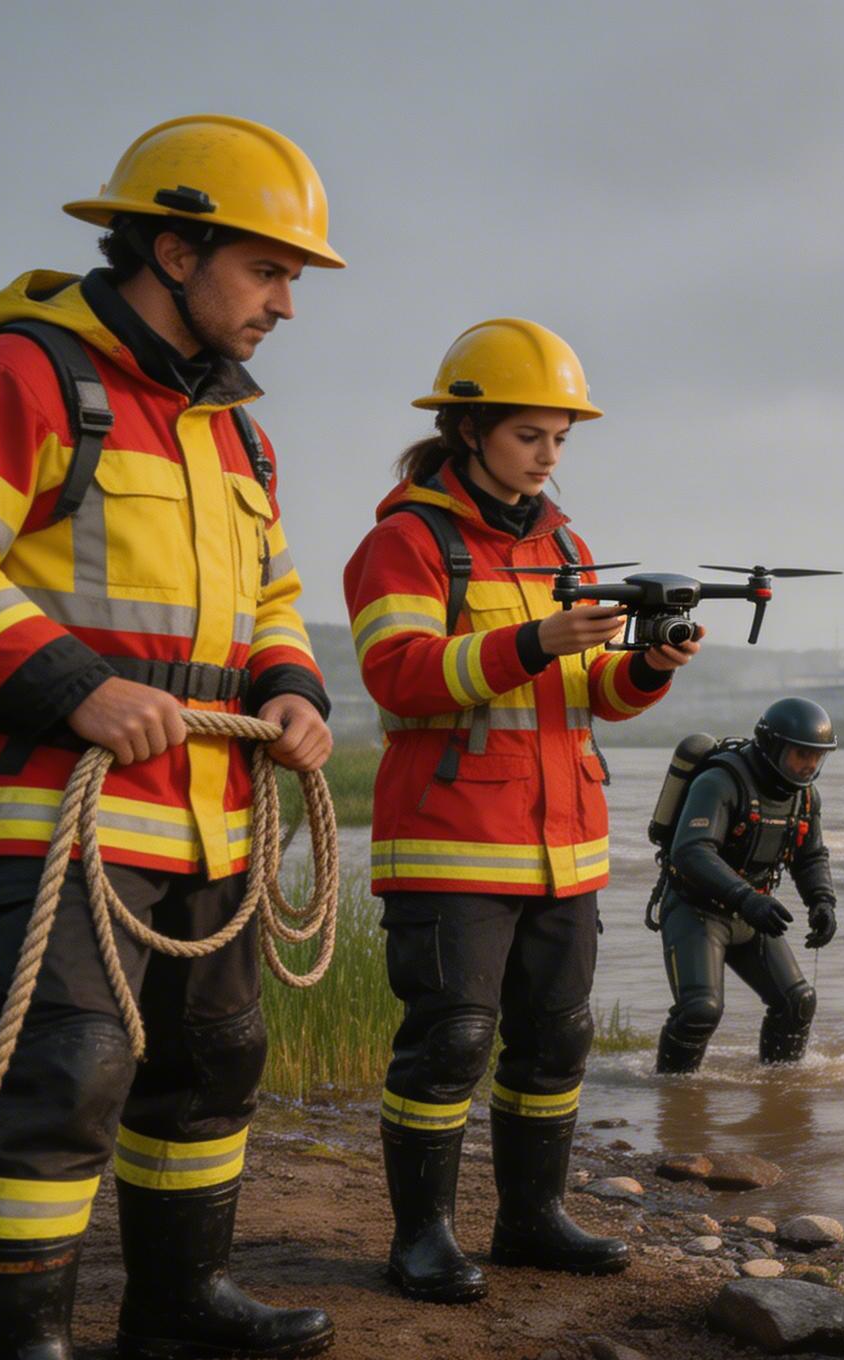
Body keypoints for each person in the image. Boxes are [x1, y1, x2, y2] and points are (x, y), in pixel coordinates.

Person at [0, 115, 342, 1360]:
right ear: (172, 247)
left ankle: (177, 1306)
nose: (287, 304)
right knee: (59, 1077)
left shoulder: (235, 437)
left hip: (203, 814)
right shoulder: (16, 376)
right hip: (42, 808)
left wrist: (294, 690)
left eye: (294, 280)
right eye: (267, 271)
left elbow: (276, 597)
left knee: (208, 1065)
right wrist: (68, 683)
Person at [343, 318, 695, 1304]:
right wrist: (536, 638)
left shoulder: (569, 545)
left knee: (559, 1036)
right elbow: (400, 678)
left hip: (564, 847)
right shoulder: (404, 542)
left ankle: (531, 1222)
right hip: (451, 842)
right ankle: (422, 1241)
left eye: (560, 440)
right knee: (450, 1041)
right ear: (470, 430)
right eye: (529, 435)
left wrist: (646, 668)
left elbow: (591, 698)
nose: (547, 457)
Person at [652, 698, 838, 1073]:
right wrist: (746, 899)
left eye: (818, 756)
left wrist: (822, 901)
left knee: (797, 1002)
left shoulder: (804, 797)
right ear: (772, 746)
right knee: (700, 1011)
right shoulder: (719, 781)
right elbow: (691, 851)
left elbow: (810, 856)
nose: (810, 765)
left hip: (754, 913)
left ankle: (779, 1092)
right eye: (802, 754)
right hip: (696, 911)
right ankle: (673, 1104)